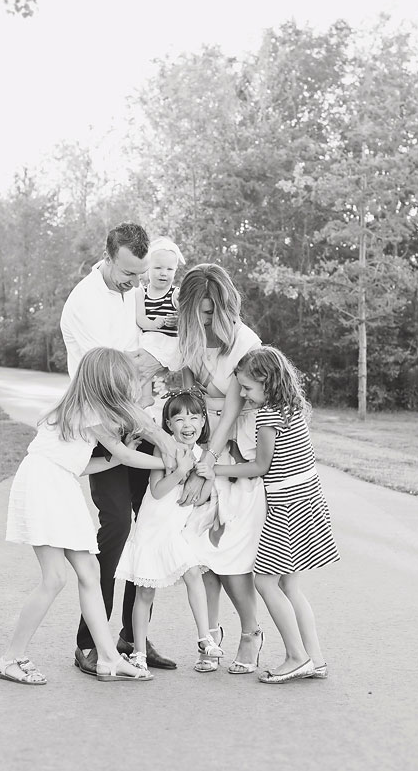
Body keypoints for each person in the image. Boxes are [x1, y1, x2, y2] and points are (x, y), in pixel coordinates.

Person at [0, 348, 191, 684]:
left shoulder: (84, 409)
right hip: (45, 484)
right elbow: (125, 455)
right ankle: (11, 658)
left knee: (89, 571)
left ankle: (108, 658)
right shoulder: (92, 410)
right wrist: (170, 462)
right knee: (54, 578)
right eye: (122, 384)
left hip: (59, 481)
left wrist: (126, 457)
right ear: (105, 384)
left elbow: (87, 463)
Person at [59, 223, 183, 675]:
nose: (137, 284)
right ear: (107, 256)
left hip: (137, 413)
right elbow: (112, 383)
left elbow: (148, 350)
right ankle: (89, 641)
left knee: (148, 524)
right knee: (115, 527)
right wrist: (159, 434)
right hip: (103, 427)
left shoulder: (130, 289)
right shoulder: (85, 303)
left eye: (141, 275)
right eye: (129, 274)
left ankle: (135, 638)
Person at [213, 346, 339, 684]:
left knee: (265, 581)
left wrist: (215, 468)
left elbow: (260, 467)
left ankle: (296, 657)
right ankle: (315, 658)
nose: (242, 394)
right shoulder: (290, 409)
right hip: (307, 499)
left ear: (267, 382)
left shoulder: (268, 416)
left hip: (287, 506)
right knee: (290, 585)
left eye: (247, 388)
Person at [174, 264, 269, 675]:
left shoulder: (244, 343)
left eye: (214, 312)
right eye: (201, 312)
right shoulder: (189, 339)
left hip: (230, 454)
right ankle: (210, 636)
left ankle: (251, 633)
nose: (208, 320)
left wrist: (206, 467)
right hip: (200, 448)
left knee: (231, 556)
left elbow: (230, 413)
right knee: (199, 553)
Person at [114, 390, 225, 673]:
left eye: (194, 417)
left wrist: (208, 478)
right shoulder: (163, 449)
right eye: (179, 418)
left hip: (174, 534)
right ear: (169, 424)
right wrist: (179, 471)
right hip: (151, 532)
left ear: (203, 422)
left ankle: (204, 638)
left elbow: (196, 500)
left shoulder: (203, 455)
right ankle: (138, 652)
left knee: (193, 575)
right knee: (145, 594)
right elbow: (157, 490)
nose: (187, 424)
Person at [133, 238, 185, 404]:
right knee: (136, 357)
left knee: (142, 359)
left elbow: (187, 317)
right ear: (147, 267)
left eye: (170, 269)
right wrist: (154, 323)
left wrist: (178, 320)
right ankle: (144, 396)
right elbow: (140, 319)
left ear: (175, 271)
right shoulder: (142, 292)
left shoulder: (175, 294)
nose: (164, 273)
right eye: (158, 268)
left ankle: (147, 397)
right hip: (149, 339)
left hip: (169, 342)